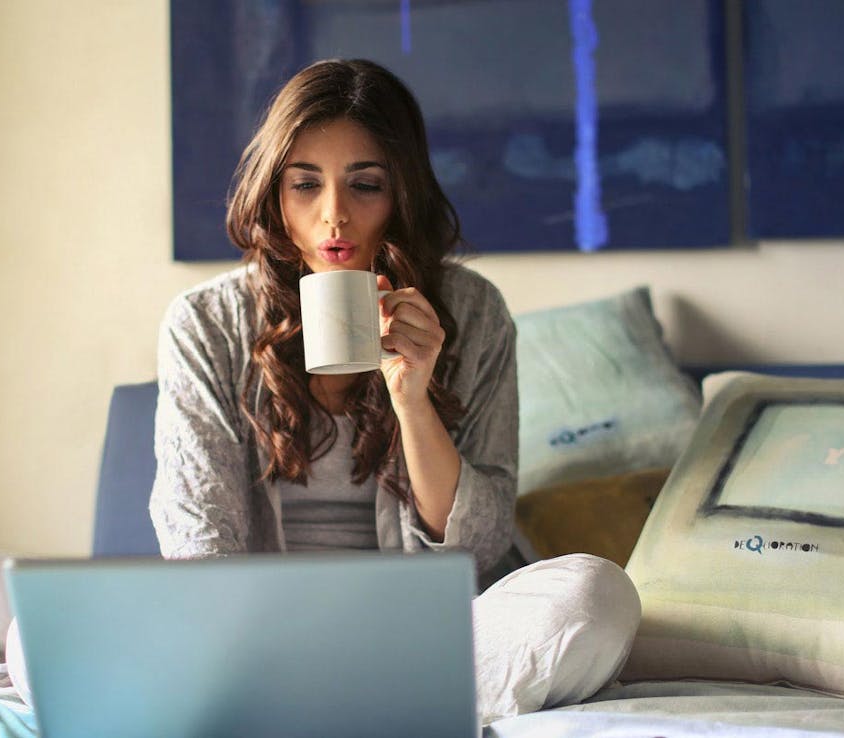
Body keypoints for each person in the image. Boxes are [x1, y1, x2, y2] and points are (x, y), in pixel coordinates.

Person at [146, 58, 640, 723]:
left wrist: (413, 398)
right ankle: (373, 709)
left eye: (365, 184)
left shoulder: (474, 311)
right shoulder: (206, 324)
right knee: (35, 640)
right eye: (305, 185)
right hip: (258, 639)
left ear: (401, 192)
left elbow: (478, 546)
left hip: (425, 638)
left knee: (596, 596)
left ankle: (317, 710)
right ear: (274, 193)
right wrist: (245, 642)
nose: (335, 217)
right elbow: (198, 542)